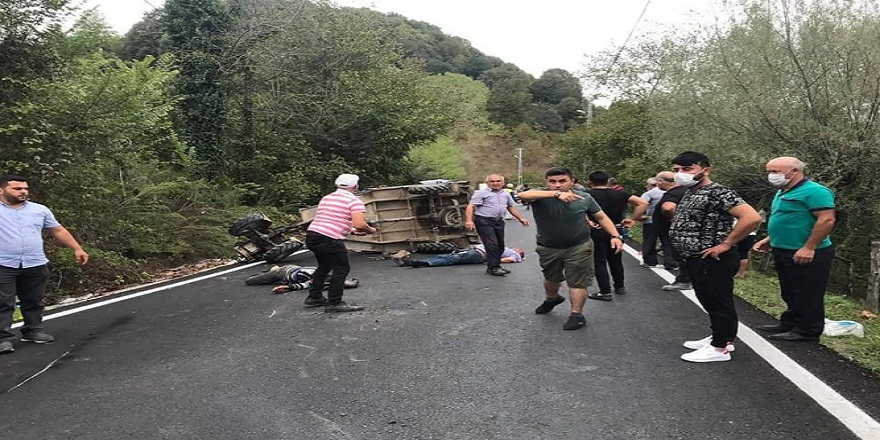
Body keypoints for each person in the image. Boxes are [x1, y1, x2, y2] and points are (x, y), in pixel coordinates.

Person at [668, 152, 761, 363]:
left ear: (705, 170)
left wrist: (726, 244)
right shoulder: (691, 191)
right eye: (677, 170)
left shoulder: (718, 192)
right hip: (695, 256)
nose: (680, 174)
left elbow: (751, 217)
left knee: (718, 299)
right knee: (708, 298)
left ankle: (720, 348)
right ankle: (721, 337)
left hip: (713, 257)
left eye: (687, 169)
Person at [517, 167, 623, 330]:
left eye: (562, 181)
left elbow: (600, 216)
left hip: (579, 246)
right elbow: (523, 195)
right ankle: (552, 298)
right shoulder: (540, 196)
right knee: (552, 278)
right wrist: (556, 194)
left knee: (578, 281)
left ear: (572, 181)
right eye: (552, 182)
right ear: (547, 183)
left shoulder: (585, 197)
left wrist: (615, 236)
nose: (557, 185)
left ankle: (576, 315)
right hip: (548, 247)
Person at [0, 175, 89, 354]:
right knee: (3, 303)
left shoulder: (39, 210)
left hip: (35, 263)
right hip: (3, 264)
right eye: (17, 189)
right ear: (1, 190)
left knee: (34, 300)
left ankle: (32, 331)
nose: (23, 192)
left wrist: (77, 248)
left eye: (25, 188)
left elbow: (57, 229)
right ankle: (3, 339)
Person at [752, 157, 836, 342]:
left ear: (794, 171)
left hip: (807, 251)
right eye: (769, 172)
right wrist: (769, 239)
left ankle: (807, 331)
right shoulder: (782, 191)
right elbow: (786, 218)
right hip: (783, 249)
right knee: (790, 290)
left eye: (775, 172)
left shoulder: (815, 191)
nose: (771, 176)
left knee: (808, 291)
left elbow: (826, 220)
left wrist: (809, 247)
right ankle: (790, 322)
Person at [304, 173, 377, 313]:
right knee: (341, 268)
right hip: (329, 238)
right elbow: (360, 224)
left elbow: (331, 218)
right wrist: (370, 230)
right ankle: (335, 303)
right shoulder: (354, 201)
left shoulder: (327, 198)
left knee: (324, 266)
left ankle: (314, 297)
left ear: (337, 185)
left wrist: (351, 230)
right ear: (356, 186)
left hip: (313, 235)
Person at [585, 170, 648, 301]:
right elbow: (643, 203)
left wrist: (587, 221)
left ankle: (605, 291)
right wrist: (633, 219)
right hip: (617, 229)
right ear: (608, 181)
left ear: (589, 182)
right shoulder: (620, 194)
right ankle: (619, 286)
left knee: (599, 260)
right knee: (616, 259)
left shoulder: (587, 195)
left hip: (596, 229)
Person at [464, 174, 529, 276]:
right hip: (484, 221)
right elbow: (471, 206)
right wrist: (469, 220)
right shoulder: (481, 193)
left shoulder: (505, 194)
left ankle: (492, 266)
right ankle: (495, 267)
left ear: (502, 183)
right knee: (491, 244)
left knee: (500, 245)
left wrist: (520, 218)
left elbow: (511, 207)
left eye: (498, 181)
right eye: (492, 181)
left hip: (498, 221)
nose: (495, 183)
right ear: (488, 183)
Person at [654, 171, 690, 289]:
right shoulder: (685, 190)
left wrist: (674, 221)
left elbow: (668, 208)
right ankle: (690, 278)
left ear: (661, 181)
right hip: (685, 230)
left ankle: (684, 281)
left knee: (678, 254)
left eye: (657, 180)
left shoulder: (672, 193)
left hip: (672, 230)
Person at [392, 244, 525, 267]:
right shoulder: (507, 248)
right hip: (476, 252)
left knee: (450, 259)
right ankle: (415, 262)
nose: (517, 249)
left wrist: (494, 261)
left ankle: (422, 263)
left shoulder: (515, 254)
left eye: (519, 250)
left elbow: (511, 259)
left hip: (479, 255)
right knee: (447, 257)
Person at [639, 177, 665, 268]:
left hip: (650, 220)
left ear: (650, 185)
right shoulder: (667, 192)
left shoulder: (648, 194)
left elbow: (641, 204)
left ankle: (650, 261)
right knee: (667, 241)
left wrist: (639, 216)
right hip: (666, 220)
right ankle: (671, 262)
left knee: (649, 240)